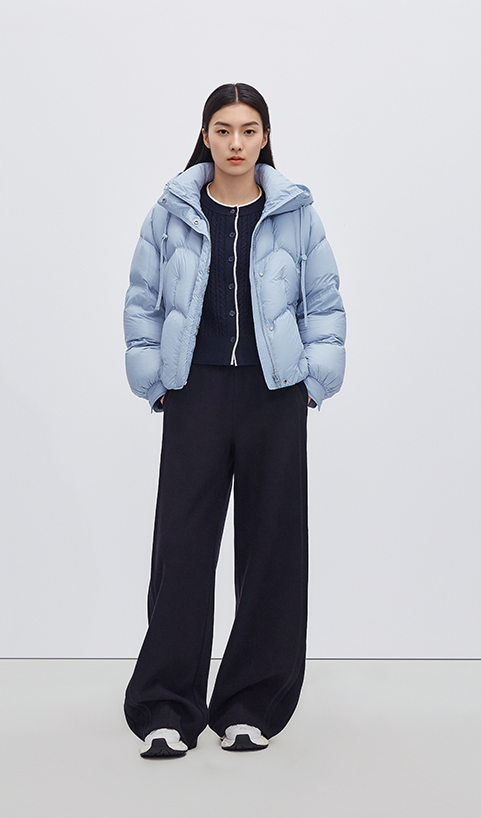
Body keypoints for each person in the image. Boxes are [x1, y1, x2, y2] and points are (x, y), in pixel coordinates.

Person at [122, 82, 346, 759]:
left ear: (265, 137)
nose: (237, 143)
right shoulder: (171, 212)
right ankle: (168, 707)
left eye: (249, 130)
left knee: (273, 548)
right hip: (194, 393)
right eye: (224, 130)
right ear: (206, 136)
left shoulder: (296, 213)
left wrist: (311, 383)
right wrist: (157, 381)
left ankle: (251, 705)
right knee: (183, 550)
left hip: (274, 395)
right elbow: (142, 299)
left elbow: (324, 302)